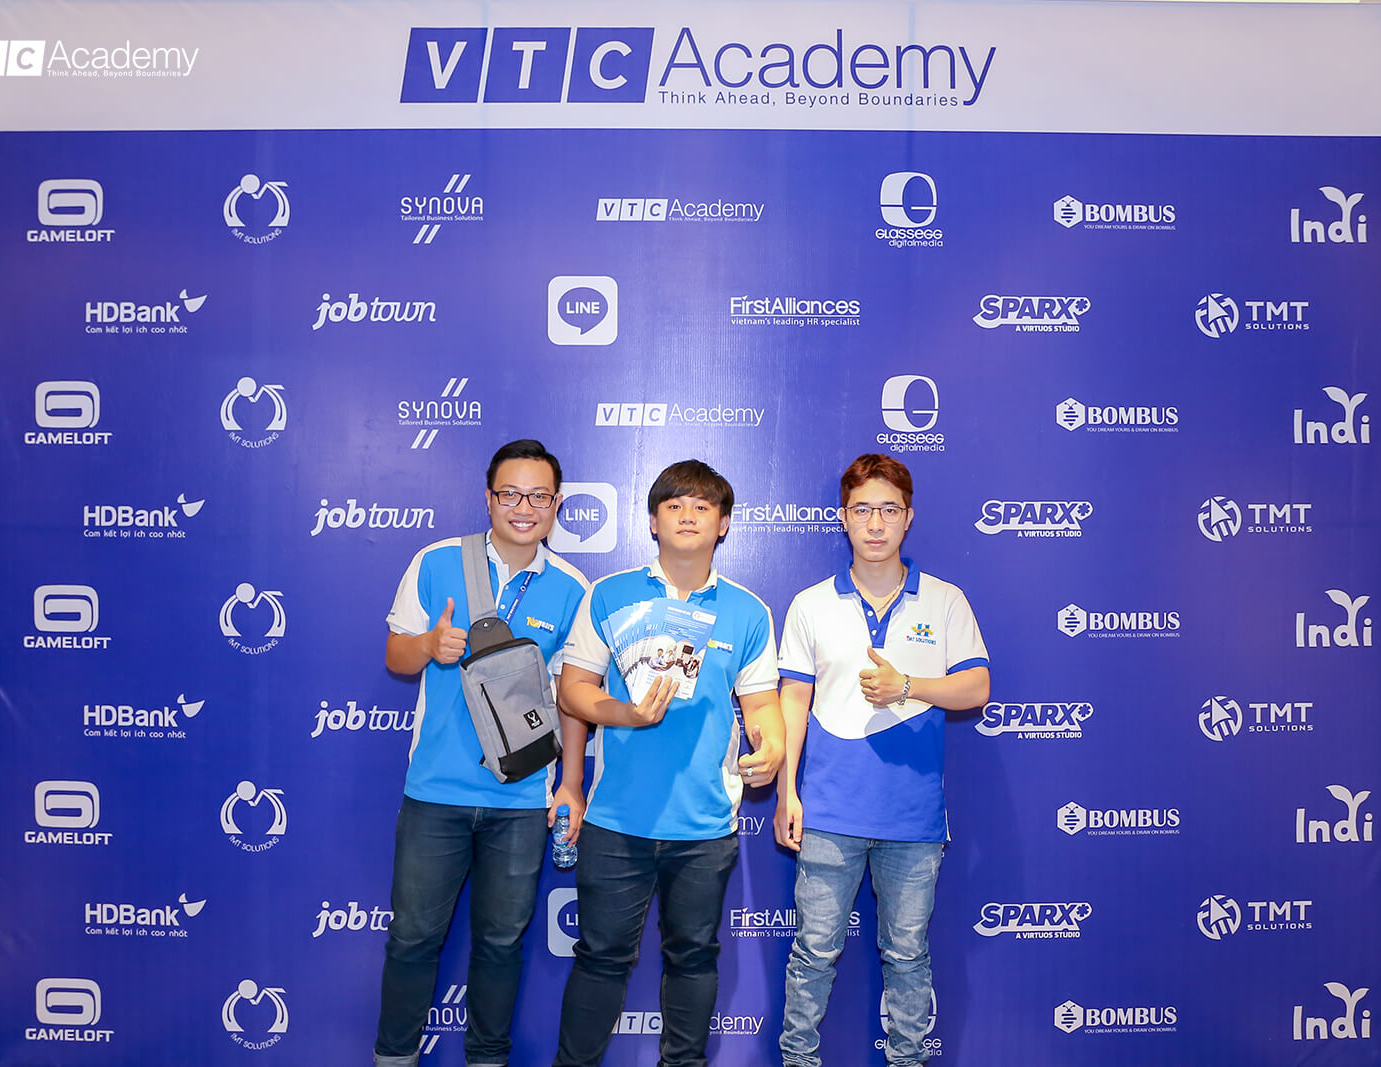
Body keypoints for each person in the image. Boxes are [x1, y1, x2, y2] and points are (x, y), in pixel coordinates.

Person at [552, 459, 785, 1067]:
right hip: (615, 820)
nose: (688, 516)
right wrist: (625, 715)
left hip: (703, 826)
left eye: (703, 507)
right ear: (653, 520)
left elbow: (762, 704)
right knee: (601, 959)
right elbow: (572, 690)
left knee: (694, 958)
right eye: (674, 505)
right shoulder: (610, 594)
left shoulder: (749, 611)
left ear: (723, 524)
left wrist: (771, 748)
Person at [374, 439, 590, 1067]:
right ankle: (394, 1058)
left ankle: (488, 1059)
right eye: (510, 494)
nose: (524, 507)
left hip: (520, 799)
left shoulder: (573, 588)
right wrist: (428, 645)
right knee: (413, 938)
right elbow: (395, 655)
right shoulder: (436, 561)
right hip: (435, 793)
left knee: (501, 944)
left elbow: (572, 698)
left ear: (556, 504)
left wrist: (569, 784)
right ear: (489, 498)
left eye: (538, 496)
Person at [774, 454, 990, 1067]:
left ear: (908, 517)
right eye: (863, 510)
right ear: (843, 517)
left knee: (907, 955)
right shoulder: (811, 604)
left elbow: (976, 688)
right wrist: (788, 792)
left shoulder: (945, 601)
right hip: (828, 812)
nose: (875, 524)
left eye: (889, 510)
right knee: (813, 952)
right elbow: (793, 701)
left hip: (912, 818)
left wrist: (907, 687)